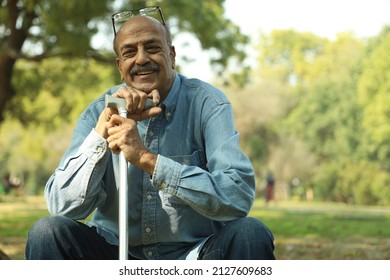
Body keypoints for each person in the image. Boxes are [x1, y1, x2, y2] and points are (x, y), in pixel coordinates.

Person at [25, 6, 275, 260]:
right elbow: (62, 206)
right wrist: (101, 134)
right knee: (47, 232)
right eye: (129, 52)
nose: (142, 59)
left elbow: (238, 196)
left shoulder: (207, 104)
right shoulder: (97, 113)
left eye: (152, 47)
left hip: (194, 255)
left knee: (250, 233)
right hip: (114, 252)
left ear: (172, 54)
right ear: (120, 66)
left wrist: (147, 160)